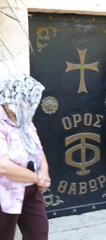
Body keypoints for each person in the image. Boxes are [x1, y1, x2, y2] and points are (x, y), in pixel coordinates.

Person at [0, 73, 51, 240]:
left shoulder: (25, 119)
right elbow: (3, 166)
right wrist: (37, 177)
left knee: (39, 233)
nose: (26, 105)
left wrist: (44, 171)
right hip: (5, 191)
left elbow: (37, 147)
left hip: (31, 189)